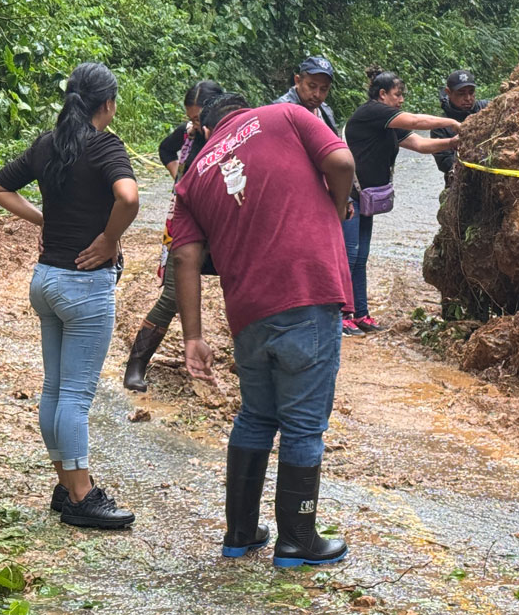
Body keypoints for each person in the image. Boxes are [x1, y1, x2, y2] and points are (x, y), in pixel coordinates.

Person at [170, 90, 358, 568]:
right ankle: (297, 539)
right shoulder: (285, 116)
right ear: (244, 111)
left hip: (247, 309)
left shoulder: (192, 178)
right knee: (302, 423)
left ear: (208, 130)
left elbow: (185, 256)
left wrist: (193, 336)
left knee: (256, 415)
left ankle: (240, 532)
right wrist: (336, 209)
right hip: (306, 290)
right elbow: (341, 160)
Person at [0, 62, 139, 529]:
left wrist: (44, 222)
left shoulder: (47, 145)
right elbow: (129, 198)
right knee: (75, 394)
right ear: (108, 104)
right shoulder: (106, 146)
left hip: (45, 281)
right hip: (85, 287)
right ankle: (82, 493)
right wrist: (110, 239)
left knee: (54, 389)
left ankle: (64, 483)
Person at [340, 68, 461, 334]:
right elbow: (416, 122)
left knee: (360, 258)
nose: (402, 100)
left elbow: (419, 144)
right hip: (348, 198)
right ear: (382, 95)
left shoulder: (387, 124)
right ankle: (341, 315)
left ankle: (360, 313)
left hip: (365, 198)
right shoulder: (372, 112)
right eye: (398, 95)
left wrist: (452, 142)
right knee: (348, 257)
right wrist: (451, 123)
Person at [124, 80, 223, 392]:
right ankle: (136, 364)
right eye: (190, 118)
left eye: (198, 119)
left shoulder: (232, 135)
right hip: (188, 226)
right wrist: (178, 174)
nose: (193, 125)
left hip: (225, 228)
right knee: (172, 296)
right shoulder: (189, 135)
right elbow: (166, 148)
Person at [431, 69, 489, 182]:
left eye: (471, 92)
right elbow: (444, 162)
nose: (468, 98)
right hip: (459, 182)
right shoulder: (440, 124)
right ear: (448, 92)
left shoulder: (486, 109)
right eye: (461, 93)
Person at [273, 56, 336, 130]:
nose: (317, 94)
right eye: (312, 86)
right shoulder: (279, 111)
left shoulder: (325, 111)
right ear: (298, 81)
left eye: (323, 89)